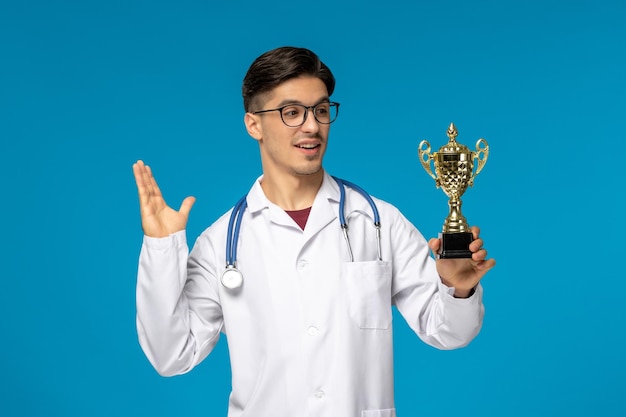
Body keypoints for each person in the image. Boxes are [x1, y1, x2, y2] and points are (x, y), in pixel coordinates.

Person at [132, 46, 495, 417]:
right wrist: (162, 247)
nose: (312, 126)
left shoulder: (378, 221)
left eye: (321, 110)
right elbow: (171, 355)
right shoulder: (220, 243)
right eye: (291, 112)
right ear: (253, 124)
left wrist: (460, 289)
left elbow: (449, 332)